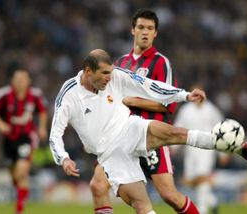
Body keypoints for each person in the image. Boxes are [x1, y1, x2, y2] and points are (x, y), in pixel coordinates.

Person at [49, 49, 247, 214]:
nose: (109, 78)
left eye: (110, 73)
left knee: (174, 133)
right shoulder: (69, 94)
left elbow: (149, 86)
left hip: (129, 127)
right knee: (142, 206)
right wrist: (64, 158)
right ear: (88, 72)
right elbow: (55, 133)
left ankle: (232, 145)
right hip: (110, 153)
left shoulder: (117, 76)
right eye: (104, 74)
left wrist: (184, 95)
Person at [89, 8, 195, 214]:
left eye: (150, 28)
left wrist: (130, 101)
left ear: (155, 33)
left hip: (151, 135)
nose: (145, 32)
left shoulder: (160, 62)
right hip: (122, 136)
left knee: (169, 195)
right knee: (98, 185)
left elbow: (168, 105)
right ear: (132, 30)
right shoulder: (120, 64)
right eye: (141, 27)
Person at [0, 69, 48, 214]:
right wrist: (1, 125)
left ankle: (19, 209)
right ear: (12, 81)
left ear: (29, 81)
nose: (20, 81)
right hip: (9, 139)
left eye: (23, 79)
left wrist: (42, 128)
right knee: (13, 173)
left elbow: (43, 110)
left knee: (21, 171)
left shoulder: (35, 95)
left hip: (27, 137)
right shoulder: (3, 95)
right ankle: (20, 193)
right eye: (17, 79)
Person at [174, 98, 224, 214]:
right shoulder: (186, 110)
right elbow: (178, 127)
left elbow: (221, 130)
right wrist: (173, 147)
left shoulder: (211, 109)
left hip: (207, 150)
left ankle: (202, 210)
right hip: (190, 150)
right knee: (190, 180)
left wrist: (222, 153)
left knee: (202, 176)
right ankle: (212, 201)